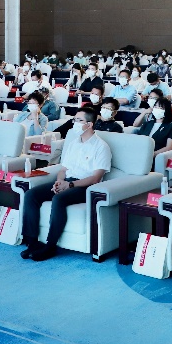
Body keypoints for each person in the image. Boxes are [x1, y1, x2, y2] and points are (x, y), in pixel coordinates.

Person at [20, 107, 111, 262]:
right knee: (31, 194)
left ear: (89, 124)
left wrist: (69, 185)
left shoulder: (101, 147)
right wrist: (59, 181)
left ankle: (50, 246)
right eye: (74, 119)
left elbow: (96, 178)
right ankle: (32, 242)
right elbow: (63, 169)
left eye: (79, 120)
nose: (74, 123)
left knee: (59, 199)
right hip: (67, 182)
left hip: (85, 187)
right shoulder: (73, 143)